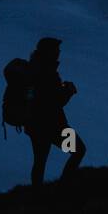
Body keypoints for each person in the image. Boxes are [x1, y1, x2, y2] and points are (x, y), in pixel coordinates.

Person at [24, 36, 86, 186]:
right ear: (49, 52)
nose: (59, 52)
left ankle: (37, 195)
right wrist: (69, 91)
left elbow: (37, 97)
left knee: (40, 161)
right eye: (56, 49)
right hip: (53, 125)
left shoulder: (34, 68)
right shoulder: (47, 71)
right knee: (79, 150)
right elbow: (55, 102)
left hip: (35, 125)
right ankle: (64, 185)